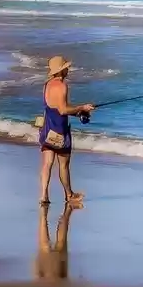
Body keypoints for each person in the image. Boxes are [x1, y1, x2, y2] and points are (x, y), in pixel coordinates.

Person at [38, 55, 95, 206]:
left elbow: (55, 107)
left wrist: (77, 113)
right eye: (66, 68)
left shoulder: (47, 85)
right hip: (60, 130)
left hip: (47, 128)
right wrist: (82, 108)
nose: (68, 69)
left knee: (47, 163)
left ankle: (44, 195)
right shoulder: (62, 86)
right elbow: (63, 110)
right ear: (62, 70)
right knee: (63, 165)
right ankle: (69, 194)